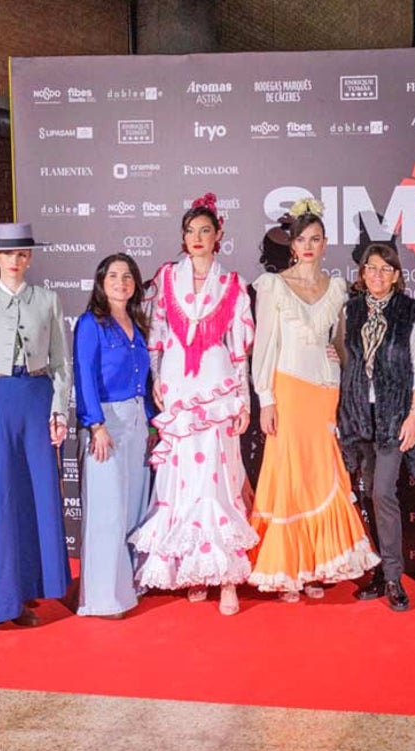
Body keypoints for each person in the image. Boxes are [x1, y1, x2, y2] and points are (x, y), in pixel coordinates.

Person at [129, 194, 257, 615]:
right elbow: (158, 332)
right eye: (190, 231)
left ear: (219, 235)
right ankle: (191, 568)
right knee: (180, 477)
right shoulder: (167, 278)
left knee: (218, 475)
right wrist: (156, 376)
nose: (197, 238)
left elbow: (240, 349)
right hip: (178, 384)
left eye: (205, 230)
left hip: (217, 386)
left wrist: (243, 400)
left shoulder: (232, 284)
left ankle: (225, 577)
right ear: (183, 237)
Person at [248, 199, 380, 599]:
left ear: (325, 244)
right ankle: (289, 569)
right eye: (302, 238)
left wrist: (337, 357)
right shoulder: (272, 285)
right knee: (289, 475)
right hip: (287, 390)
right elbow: (265, 346)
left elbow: (340, 341)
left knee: (321, 475)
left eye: (316, 239)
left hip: (325, 391)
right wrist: (265, 398)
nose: (308, 245)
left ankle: (316, 567)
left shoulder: (337, 287)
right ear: (292, 244)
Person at [0, 223, 72, 636]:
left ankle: (24, 597)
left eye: (23, 253)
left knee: (32, 499)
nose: (16, 260)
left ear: (30, 258)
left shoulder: (48, 299)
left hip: (37, 401)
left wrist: (58, 411)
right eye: (9, 254)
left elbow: (61, 363)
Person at [339, 244, 415, 612]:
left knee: (383, 494)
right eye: (370, 269)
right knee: (367, 494)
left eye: (384, 269)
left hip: (393, 415)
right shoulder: (351, 309)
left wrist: (413, 414)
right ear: (362, 274)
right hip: (359, 414)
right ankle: (376, 570)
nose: (377, 275)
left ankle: (393, 576)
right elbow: (344, 356)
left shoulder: (410, 311)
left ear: (395, 274)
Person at [73, 254, 153, 619]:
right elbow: (84, 376)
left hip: (137, 418)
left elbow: (148, 381)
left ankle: (131, 584)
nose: (121, 282)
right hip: (107, 420)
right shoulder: (91, 324)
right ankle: (104, 598)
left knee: (134, 506)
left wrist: (151, 422)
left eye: (127, 276)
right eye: (114, 276)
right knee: (107, 508)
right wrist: (95, 424)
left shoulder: (138, 323)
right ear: (101, 282)